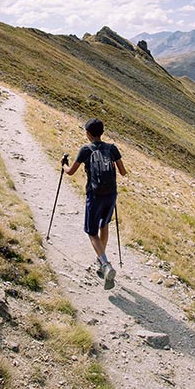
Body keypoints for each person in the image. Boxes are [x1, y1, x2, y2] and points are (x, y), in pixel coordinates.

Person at [64, 118, 126, 289]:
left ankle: (106, 265)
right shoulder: (112, 148)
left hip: (95, 195)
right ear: (102, 132)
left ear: (88, 134)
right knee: (104, 225)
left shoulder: (86, 150)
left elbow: (70, 172)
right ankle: (101, 259)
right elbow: (123, 172)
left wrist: (64, 166)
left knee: (92, 232)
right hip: (111, 194)